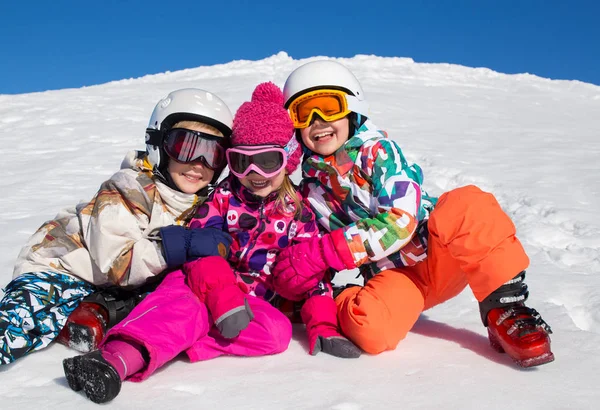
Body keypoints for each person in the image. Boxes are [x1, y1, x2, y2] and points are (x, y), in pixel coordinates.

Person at [62, 82, 361, 404]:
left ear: (288, 160)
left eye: (268, 161)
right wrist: (222, 298)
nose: (255, 173)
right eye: (242, 162)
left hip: (251, 304)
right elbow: (204, 252)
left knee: (277, 333)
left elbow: (311, 276)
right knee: (185, 306)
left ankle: (176, 339)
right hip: (200, 285)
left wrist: (324, 325)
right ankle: (114, 360)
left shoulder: (300, 213)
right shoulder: (222, 198)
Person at [273, 60, 554, 368]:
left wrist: (329, 251)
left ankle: (506, 307)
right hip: (397, 278)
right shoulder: (311, 195)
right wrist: (302, 277)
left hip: (442, 251)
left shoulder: (379, 153)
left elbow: (401, 219)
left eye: (329, 106)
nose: (318, 120)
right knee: (370, 330)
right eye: (304, 113)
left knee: (467, 204)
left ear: (352, 106)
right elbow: (305, 245)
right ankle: (341, 300)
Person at [0, 88, 234, 365]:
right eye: (186, 147)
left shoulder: (207, 204)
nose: (199, 164)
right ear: (159, 145)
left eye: (213, 154)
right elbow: (119, 263)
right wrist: (181, 244)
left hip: (111, 286)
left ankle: (86, 316)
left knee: (162, 301)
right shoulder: (128, 189)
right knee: (22, 321)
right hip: (60, 267)